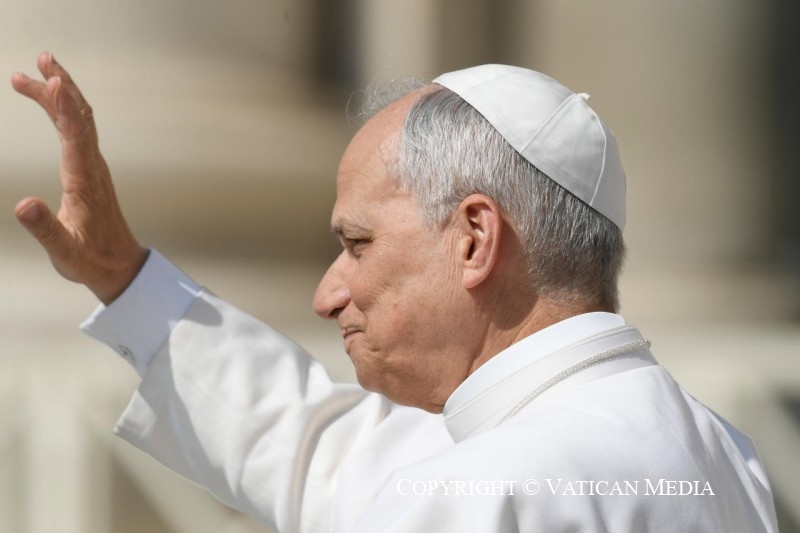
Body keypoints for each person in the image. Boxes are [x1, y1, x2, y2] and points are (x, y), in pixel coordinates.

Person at [12, 52, 778, 532]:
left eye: (357, 244)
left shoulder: (478, 493)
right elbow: (321, 450)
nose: (327, 294)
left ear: (474, 238)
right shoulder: (719, 452)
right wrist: (125, 277)